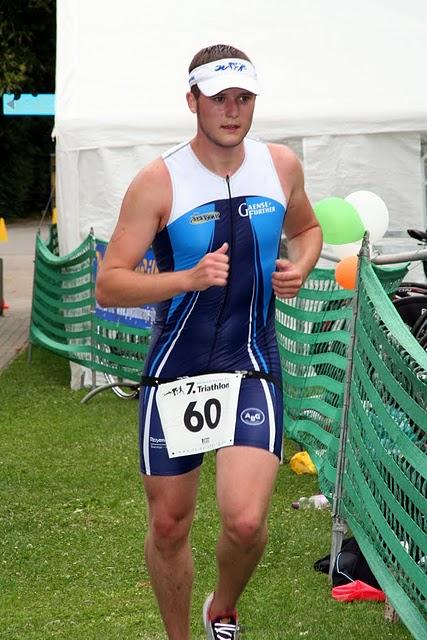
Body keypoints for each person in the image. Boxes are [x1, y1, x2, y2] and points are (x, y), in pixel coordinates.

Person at [96, 43, 322, 640]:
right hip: (178, 368)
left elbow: (307, 227)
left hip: (252, 362)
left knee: (246, 523)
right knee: (169, 525)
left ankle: (222, 606)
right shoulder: (159, 180)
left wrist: (301, 265)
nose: (232, 110)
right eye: (219, 98)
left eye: (243, 97)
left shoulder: (280, 166)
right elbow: (109, 283)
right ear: (192, 100)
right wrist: (185, 279)